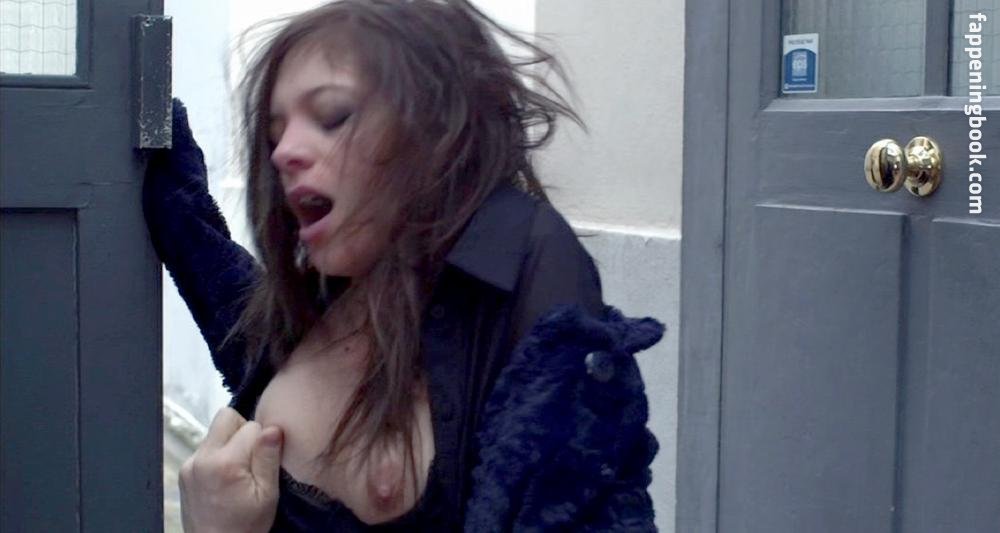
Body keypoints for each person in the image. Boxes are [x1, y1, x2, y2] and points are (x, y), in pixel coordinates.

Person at [144, 1, 664, 531]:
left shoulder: (527, 261)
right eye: (276, 133)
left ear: (434, 131)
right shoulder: (322, 302)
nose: (284, 153)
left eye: (332, 116)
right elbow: (235, 305)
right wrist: (165, 182)